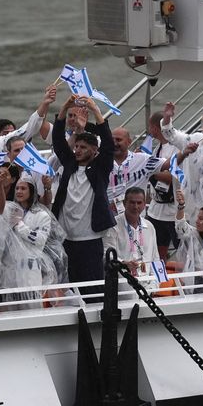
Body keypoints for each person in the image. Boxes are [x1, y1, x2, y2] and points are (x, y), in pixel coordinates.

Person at [51, 96, 115, 302]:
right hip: (67, 238)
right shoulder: (69, 164)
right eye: (77, 147)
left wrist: (95, 110)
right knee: (71, 286)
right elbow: (58, 140)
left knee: (93, 290)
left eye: (83, 148)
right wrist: (65, 107)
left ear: (94, 151)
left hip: (90, 239)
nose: (77, 151)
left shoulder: (100, 169)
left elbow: (109, 144)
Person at [0, 172, 66, 309]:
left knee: (32, 308)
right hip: (10, 269)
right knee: (11, 310)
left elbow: (40, 240)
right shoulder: (9, 210)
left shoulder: (42, 215)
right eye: (17, 188)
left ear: (31, 191)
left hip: (30, 269)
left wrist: (20, 225)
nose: (19, 191)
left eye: (23, 188)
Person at [144, 111, 182, 259]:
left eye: (150, 127)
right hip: (156, 209)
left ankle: (186, 280)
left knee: (182, 249)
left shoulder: (176, 148)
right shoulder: (157, 149)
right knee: (156, 251)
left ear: (154, 128)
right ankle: (159, 280)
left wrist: (148, 170)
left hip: (173, 211)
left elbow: (171, 177)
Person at [108, 127, 166, 215]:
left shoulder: (142, 160)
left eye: (118, 140)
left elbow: (167, 164)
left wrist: (184, 152)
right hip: (108, 220)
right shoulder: (101, 161)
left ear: (129, 142)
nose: (114, 143)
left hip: (135, 220)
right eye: (112, 140)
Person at [103, 187, 159, 278]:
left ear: (144, 205)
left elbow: (155, 257)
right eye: (132, 202)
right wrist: (124, 264)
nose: (136, 206)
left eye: (139, 203)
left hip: (147, 279)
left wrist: (156, 283)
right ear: (124, 203)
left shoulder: (149, 226)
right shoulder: (113, 226)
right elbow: (107, 255)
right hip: (123, 278)